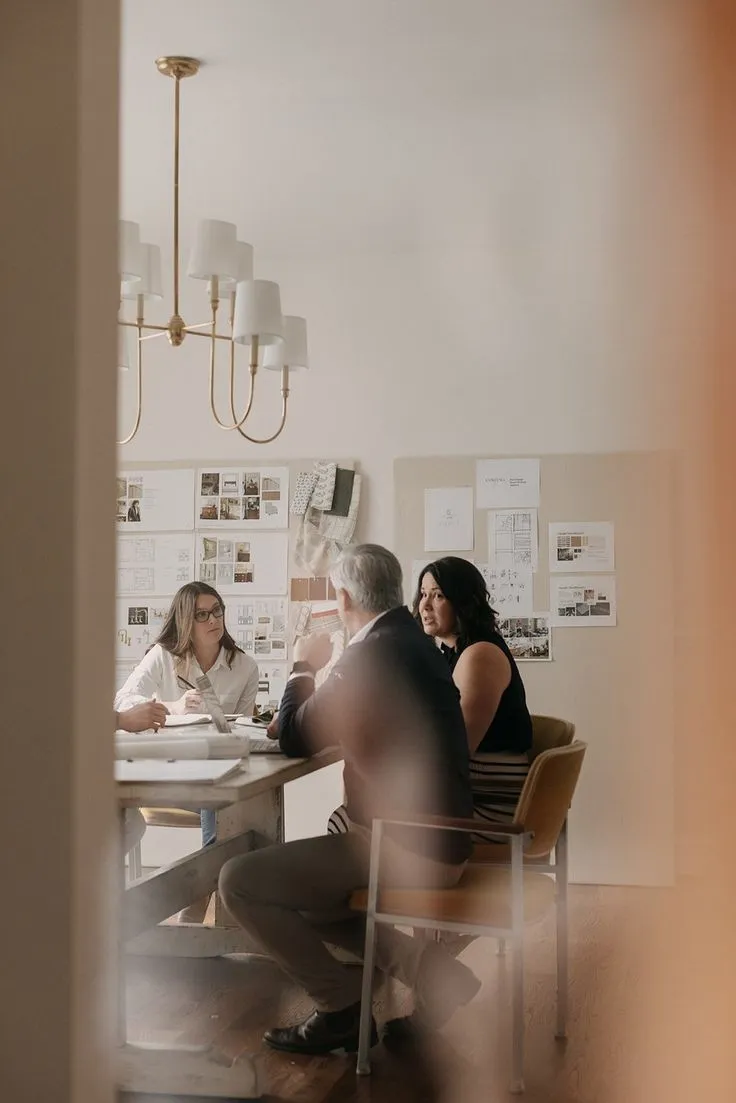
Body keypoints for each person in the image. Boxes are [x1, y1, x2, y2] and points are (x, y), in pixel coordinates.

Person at [218, 544, 480, 1056]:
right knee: (305, 892)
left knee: (240, 881)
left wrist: (302, 665)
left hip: (403, 847)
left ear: (342, 597)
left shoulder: (371, 652)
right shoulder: (410, 640)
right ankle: (430, 973)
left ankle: (338, 1006)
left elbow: (295, 735)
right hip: (441, 839)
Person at [115, 582, 259, 886]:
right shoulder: (163, 656)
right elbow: (122, 702)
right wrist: (172, 707)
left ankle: (218, 888)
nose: (213, 620)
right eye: (202, 615)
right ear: (185, 622)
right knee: (216, 798)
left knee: (227, 796)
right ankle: (210, 888)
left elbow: (246, 728)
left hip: (215, 770)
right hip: (164, 771)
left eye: (217, 611)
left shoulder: (245, 666)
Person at [414, 557, 533, 834]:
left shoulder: (479, 655)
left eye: (439, 595)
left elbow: (455, 748)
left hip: (490, 803)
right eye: (423, 594)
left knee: (358, 816)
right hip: (474, 789)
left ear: (463, 602)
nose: (425, 605)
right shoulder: (455, 653)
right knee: (365, 811)